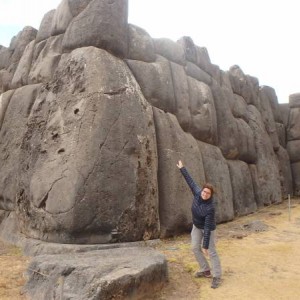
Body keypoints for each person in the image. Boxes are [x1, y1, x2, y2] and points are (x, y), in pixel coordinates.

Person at [177, 160, 222, 289]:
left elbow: (207, 227)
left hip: (208, 229)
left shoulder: (210, 208)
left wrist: (206, 245)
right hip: (196, 226)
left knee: (211, 252)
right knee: (194, 247)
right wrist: (182, 168)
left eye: (208, 193)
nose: (205, 194)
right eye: (204, 191)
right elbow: (190, 181)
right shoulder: (197, 193)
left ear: (211, 195)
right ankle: (205, 269)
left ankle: (217, 276)